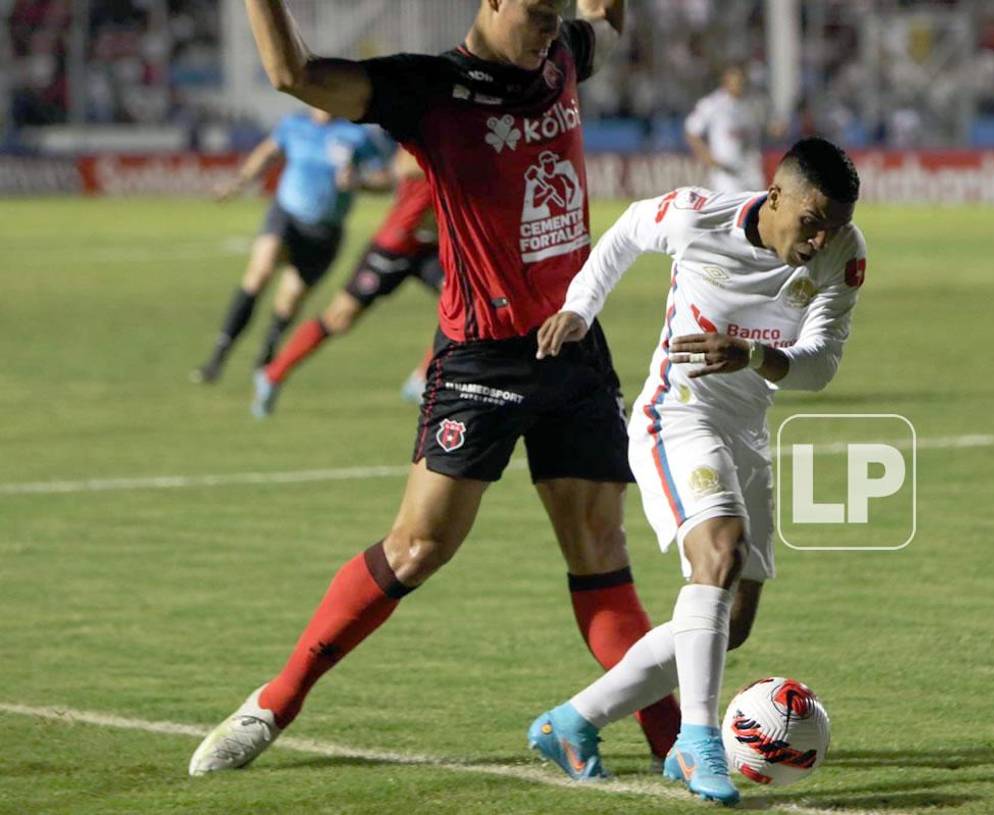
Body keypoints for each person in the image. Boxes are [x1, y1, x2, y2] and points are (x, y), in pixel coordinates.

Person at [189, 0, 683, 777]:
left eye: (559, 14)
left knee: (600, 548)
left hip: (574, 346)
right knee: (417, 548)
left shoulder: (560, 54)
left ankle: (680, 743)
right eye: (537, 11)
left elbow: (606, 34)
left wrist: (602, 9)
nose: (550, 27)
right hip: (481, 360)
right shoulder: (430, 89)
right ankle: (274, 702)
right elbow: (293, 75)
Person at [528, 137, 865, 804]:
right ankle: (696, 741)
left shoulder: (842, 252)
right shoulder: (696, 217)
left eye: (835, 223)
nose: (821, 235)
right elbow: (626, 231)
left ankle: (572, 723)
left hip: (745, 429)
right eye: (812, 218)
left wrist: (753, 358)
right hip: (675, 415)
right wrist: (578, 307)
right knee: (719, 550)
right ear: (775, 196)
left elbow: (821, 363)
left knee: (730, 621)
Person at [191, 107, 390, 384]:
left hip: (324, 231)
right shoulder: (294, 125)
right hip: (286, 215)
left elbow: (385, 180)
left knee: (290, 299)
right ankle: (217, 358)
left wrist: (360, 182)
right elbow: (267, 153)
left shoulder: (355, 135)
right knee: (259, 273)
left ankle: (266, 353)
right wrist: (239, 182)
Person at [251, 148, 441, 418]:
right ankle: (272, 374)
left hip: (434, 249)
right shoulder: (431, 136)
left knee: (467, 306)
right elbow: (404, 167)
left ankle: (422, 378)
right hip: (395, 244)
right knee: (339, 318)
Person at [684, 65, 767, 195]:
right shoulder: (712, 104)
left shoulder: (752, 103)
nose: (739, 85)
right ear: (726, 82)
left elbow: (763, 129)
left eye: (741, 81)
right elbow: (691, 131)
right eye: (735, 82)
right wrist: (708, 158)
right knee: (733, 212)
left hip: (751, 169)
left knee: (758, 210)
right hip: (726, 172)